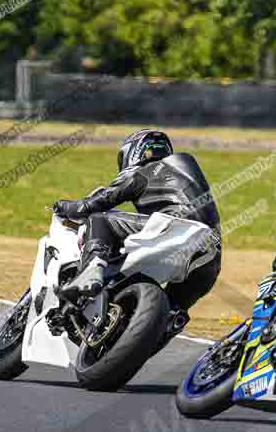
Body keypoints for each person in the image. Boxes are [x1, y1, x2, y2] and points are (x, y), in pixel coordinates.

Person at [53, 129, 221, 316]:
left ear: (132, 153)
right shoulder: (182, 168)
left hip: (178, 229)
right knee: (169, 317)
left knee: (101, 220)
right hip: (211, 258)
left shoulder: (143, 172)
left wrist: (61, 206)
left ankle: (91, 270)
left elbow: (90, 206)